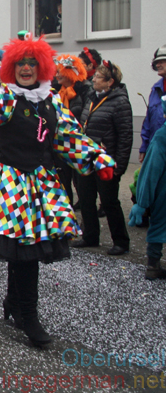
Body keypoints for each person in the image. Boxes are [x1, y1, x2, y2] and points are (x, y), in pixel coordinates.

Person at [0, 33, 116, 347]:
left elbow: (70, 136)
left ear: (42, 66)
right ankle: (28, 315)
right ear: (11, 68)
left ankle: (13, 302)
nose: (26, 68)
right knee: (25, 250)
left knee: (24, 249)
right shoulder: (5, 96)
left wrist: (98, 159)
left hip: (41, 181)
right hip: (12, 181)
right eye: (20, 63)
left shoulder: (52, 99)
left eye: (32, 63)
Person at [72, 60, 133, 255]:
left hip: (106, 161)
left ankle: (121, 241)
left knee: (109, 202)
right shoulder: (91, 97)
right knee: (86, 199)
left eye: (98, 77)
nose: (93, 79)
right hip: (87, 158)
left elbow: (125, 136)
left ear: (110, 82)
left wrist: (120, 167)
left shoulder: (120, 102)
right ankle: (90, 236)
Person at [131, 95, 166, 279]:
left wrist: (142, 201)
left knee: (159, 223)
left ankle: (153, 264)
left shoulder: (162, 136)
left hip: (163, 194)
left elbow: (151, 172)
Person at [52, 54, 89, 207]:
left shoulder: (84, 91)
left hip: (77, 143)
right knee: (63, 180)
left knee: (81, 184)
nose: (57, 74)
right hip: (61, 141)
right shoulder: (57, 91)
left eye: (60, 71)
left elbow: (86, 117)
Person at [139, 45, 166, 164]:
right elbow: (149, 121)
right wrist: (144, 147)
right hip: (156, 150)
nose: (158, 65)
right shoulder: (156, 89)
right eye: (156, 62)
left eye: (161, 61)